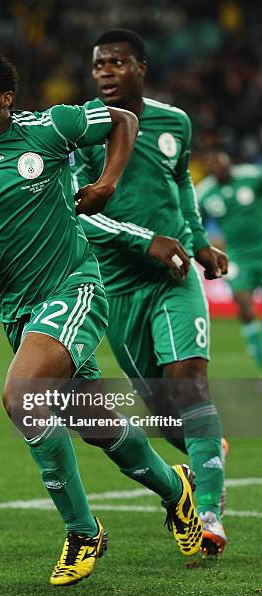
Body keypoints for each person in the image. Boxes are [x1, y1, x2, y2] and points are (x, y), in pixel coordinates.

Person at [0, 49, 202, 586]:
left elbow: (124, 120)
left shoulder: (50, 128)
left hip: (74, 288)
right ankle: (178, 490)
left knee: (22, 395)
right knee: (99, 427)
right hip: (17, 310)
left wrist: (108, 181)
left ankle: (82, 530)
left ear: (5, 98)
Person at [71, 30, 228, 556]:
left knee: (189, 387)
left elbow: (181, 181)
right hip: (118, 285)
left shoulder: (174, 121)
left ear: (141, 66)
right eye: (98, 66)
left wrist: (199, 242)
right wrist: (146, 242)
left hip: (175, 276)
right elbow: (80, 215)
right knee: (165, 413)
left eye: (116, 62)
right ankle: (208, 449)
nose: (105, 72)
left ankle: (208, 514)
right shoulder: (82, 130)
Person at [197, 151, 262, 373]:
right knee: (243, 303)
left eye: (220, 160)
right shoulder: (205, 193)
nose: (217, 165)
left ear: (228, 160)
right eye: (211, 162)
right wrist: (214, 245)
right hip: (238, 257)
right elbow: (195, 225)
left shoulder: (251, 175)